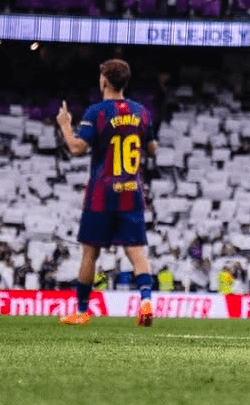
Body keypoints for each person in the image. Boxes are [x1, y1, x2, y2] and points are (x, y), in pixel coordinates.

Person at [56, 59, 158, 327]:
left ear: (104, 81)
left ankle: (81, 311)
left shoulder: (97, 112)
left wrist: (65, 125)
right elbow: (152, 149)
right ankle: (146, 302)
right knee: (136, 252)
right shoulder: (142, 112)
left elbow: (77, 148)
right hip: (131, 192)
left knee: (90, 253)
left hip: (101, 193)